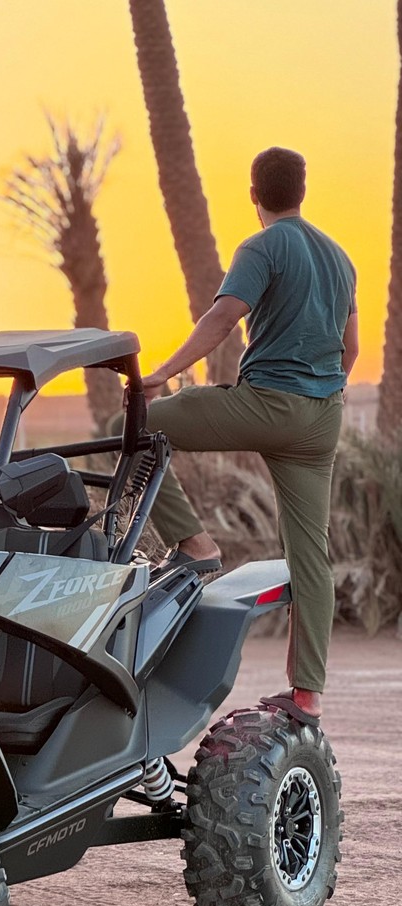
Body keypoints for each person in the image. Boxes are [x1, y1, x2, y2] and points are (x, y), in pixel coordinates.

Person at [139, 147, 358, 725]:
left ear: (253, 193)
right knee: (312, 554)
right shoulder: (340, 257)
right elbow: (351, 348)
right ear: (302, 191)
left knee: (137, 428)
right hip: (322, 417)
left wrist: (161, 374)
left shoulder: (261, 247)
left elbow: (223, 316)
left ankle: (194, 543)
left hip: (265, 403)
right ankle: (307, 693)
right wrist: (325, 392)